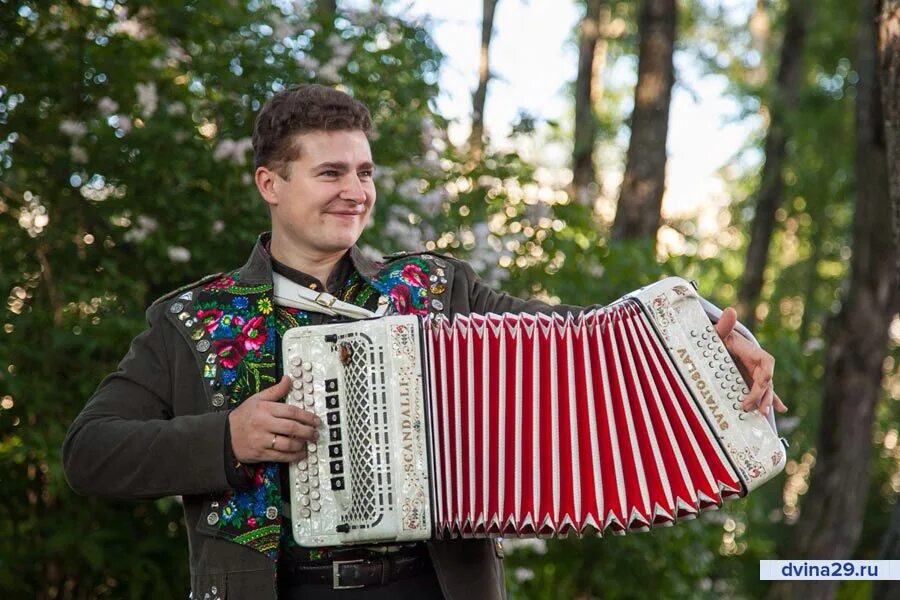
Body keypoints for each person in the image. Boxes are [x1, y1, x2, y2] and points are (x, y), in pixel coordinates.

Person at [63, 84, 787, 600]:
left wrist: (719, 332)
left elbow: (584, 329)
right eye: (331, 172)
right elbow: (90, 454)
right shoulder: (193, 319)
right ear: (270, 184)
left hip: (432, 586)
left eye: (365, 172)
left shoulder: (434, 289)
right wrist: (227, 437)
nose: (355, 190)